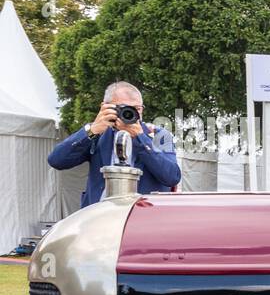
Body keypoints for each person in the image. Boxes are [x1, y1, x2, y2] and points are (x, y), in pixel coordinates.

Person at [48, 81, 181, 207]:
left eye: (136, 108)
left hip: (141, 218)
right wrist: (92, 131)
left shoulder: (159, 135)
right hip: (99, 214)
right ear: (105, 107)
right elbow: (57, 160)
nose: (130, 113)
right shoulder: (98, 133)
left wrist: (141, 139)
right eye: (123, 108)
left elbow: (172, 177)